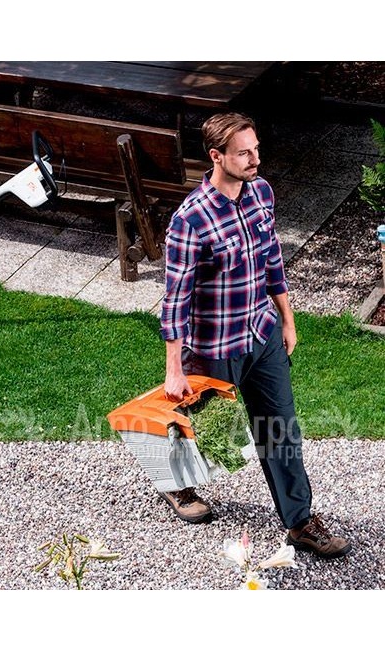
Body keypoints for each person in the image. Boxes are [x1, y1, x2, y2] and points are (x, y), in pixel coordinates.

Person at [160, 112, 350, 559]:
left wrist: (287, 319)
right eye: (243, 153)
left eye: (256, 149)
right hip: (214, 348)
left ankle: (300, 522)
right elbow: (175, 300)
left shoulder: (261, 193)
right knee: (209, 432)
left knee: (281, 430)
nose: (254, 159)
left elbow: (272, 260)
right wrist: (174, 369)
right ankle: (175, 484)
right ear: (216, 156)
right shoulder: (190, 220)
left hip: (262, 335)